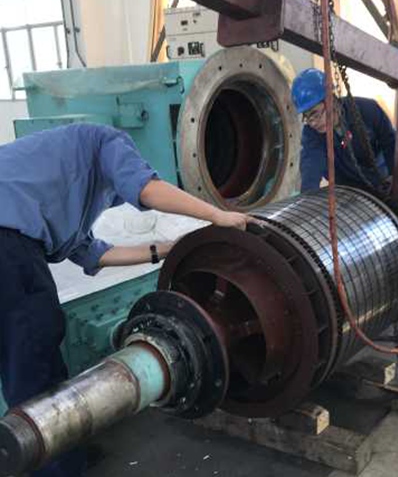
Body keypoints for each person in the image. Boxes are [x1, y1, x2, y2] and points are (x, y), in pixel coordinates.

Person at [0, 123, 253, 477]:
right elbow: (147, 189)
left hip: (11, 244)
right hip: (7, 247)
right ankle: (55, 467)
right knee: (35, 357)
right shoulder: (105, 140)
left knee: (18, 361)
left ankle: (52, 450)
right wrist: (217, 215)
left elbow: (98, 255)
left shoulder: (58, 182)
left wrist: (170, 249)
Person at [291, 68, 396, 193]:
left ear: (331, 101)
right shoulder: (311, 134)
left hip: (381, 182)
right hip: (347, 192)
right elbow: (311, 167)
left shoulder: (368, 111)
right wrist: (307, 197)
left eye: (315, 114)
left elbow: (391, 145)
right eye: (307, 117)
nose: (313, 123)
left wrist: (397, 180)